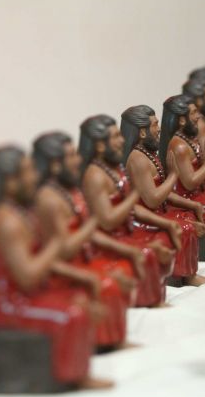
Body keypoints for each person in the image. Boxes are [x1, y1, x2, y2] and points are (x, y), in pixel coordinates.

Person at [0, 146, 111, 393]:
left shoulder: (23, 213)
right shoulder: (6, 221)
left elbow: (42, 261)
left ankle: (78, 368)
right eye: (28, 172)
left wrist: (81, 276)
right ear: (10, 182)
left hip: (26, 294)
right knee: (73, 313)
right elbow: (28, 277)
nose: (35, 177)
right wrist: (57, 244)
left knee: (80, 298)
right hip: (9, 305)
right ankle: (72, 377)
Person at [32, 131, 146, 349]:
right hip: (61, 272)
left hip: (82, 259)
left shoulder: (69, 191)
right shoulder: (49, 200)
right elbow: (64, 250)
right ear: (54, 165)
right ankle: (102, 342)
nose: (78, 160)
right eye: (71, 155)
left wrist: (127, 250)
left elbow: (88, 232)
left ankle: (113, 338)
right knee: (109, 283)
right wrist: (94, 222)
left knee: (121, 269)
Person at [79, 114, 178, 307]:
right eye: (115, 137)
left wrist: (166, 223)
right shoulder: (95, 176)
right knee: (148, 252)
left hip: (126, 232)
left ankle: (156, 297)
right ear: (100, 146)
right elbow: (108, 221)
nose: (122, 140)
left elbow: (131, 209)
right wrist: (135, 195)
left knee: (161, 243)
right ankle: (148, 302)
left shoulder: (114, 169)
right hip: (109, 241)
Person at [121, 105, 205, 286]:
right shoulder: (138, 159)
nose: (159, 128)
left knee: (189, 215)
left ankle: (186, 272)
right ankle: (184, 275)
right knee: (186, 227)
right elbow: (152, 200)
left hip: (160, 211)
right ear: (142, 132)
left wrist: (192, 204)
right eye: (154, 125)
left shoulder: (148, 154)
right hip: (146, 218)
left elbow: (164, 192)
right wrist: (173, 176)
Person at [159, 94, 205, 258]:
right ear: (182, 120)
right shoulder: (179, 146)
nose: (198, 116)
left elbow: (202, 172)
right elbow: (190, 182)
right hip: (186, 197)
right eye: (194, 113)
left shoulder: (189, 139)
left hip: (197, 192)